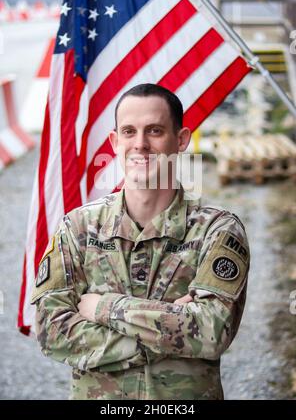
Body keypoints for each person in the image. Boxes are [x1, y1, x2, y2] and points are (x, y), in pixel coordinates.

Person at [31, 83, 250, 400]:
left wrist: (104, 308)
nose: (141, 144)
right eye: (129, 132)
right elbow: (52, 333)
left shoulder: (217, 231)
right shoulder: (78, 227)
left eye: (155, 131)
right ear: (115, 142)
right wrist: (172, 331)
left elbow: (211, 332)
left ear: (181, 140)